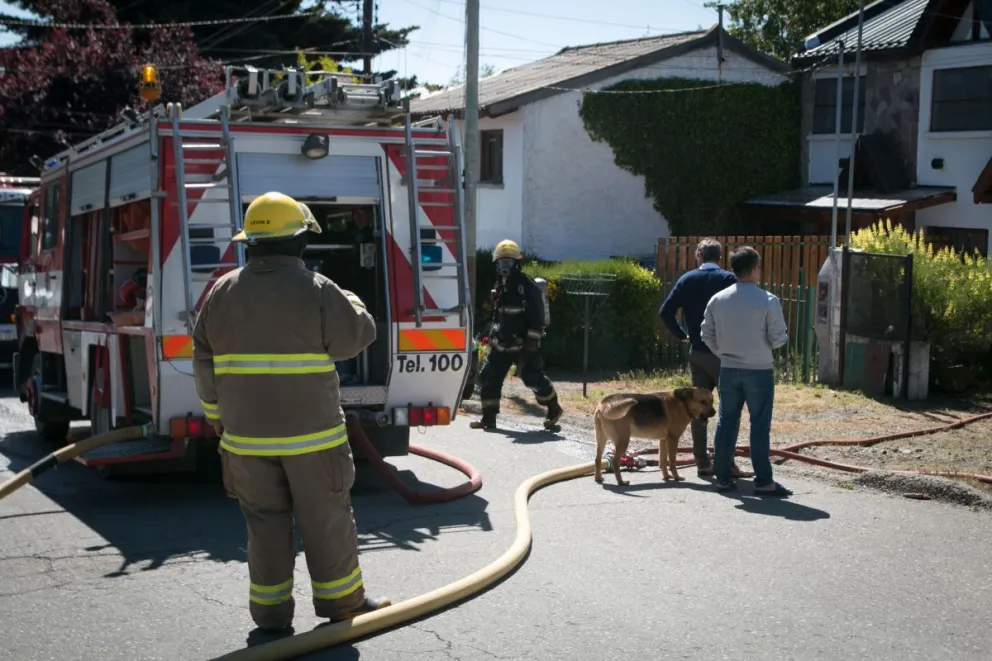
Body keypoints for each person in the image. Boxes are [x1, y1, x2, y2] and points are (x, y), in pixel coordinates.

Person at [192, 191, 391, 633]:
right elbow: (355, 337)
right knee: (325, 520)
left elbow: (203, 363)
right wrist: (354, 302)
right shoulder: (318, 290)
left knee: (263, 526)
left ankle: (271, 617)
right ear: (301, 242)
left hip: (243, 442)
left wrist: (217, 418)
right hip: (313, 441)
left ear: (250, 244)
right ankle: (342, 606)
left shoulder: (221, 293)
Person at [700, 246, 792, 496]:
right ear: (754, 268)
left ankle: (722, 478)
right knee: (759, 425)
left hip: (728, 368)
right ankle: (763, 480)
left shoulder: (718, 299)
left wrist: (721, 351)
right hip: (759, 370)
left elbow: (705, 333)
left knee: (726, 422)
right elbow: (778, 338)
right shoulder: (767, 299)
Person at [659, 238, 753, 479]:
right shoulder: (728, 280)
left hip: (698, 353)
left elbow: (666, 312)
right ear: (720, 258)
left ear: (698, 256)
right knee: (730, 409)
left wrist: (683, 335)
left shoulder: (687, 279)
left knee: (698, 408)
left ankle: (702, 462)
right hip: (725, 355)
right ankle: (727, 463)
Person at [470, 239, 563, 431]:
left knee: (532, 377)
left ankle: (554, 408)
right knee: (489, 376)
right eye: (502, 262)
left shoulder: (526, 286)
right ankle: (488, 419)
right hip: (502, 342)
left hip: (523, 343)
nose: (505, 266)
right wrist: (491, 334)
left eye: (509, 262)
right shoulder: (501, 285)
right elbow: (500, 315)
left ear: (516, 263)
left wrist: (532, 341)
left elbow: (536, 316)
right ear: (497, 263)